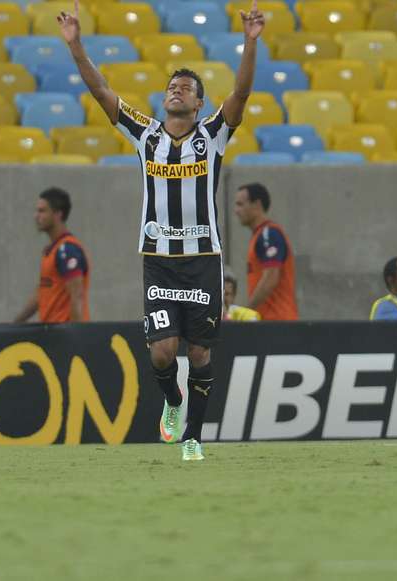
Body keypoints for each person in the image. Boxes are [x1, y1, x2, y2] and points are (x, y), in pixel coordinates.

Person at [58, 0, 265, 460]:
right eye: (172, 86)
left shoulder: (213, 134)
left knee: (202, 356)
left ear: (199, 102)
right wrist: (76, 47)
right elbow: (101, 91)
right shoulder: (145, 134)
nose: (177, 91)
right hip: (159, 261)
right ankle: (173, 402)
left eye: (186, 88)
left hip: (203, 260)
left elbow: (242, 93)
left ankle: (193, 437)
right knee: (161, 354)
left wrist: (250, 44)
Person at [14, 187, 90, 324]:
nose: (36, 216)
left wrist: (79, 337)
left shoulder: (67, 250)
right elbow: (41, 295)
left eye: (42, 211)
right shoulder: (52, 251)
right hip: (51, 334)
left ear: (58, 214)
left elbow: (77, 295)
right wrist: (15, 323)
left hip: (64, 335)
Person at [234, 182, 298, 321]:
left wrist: (247, 310)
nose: (236, 210)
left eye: (240, 204)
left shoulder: (268, 234)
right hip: (267, 322)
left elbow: (271, 276)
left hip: (278, 322)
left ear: (256, 205)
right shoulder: (260, 235)